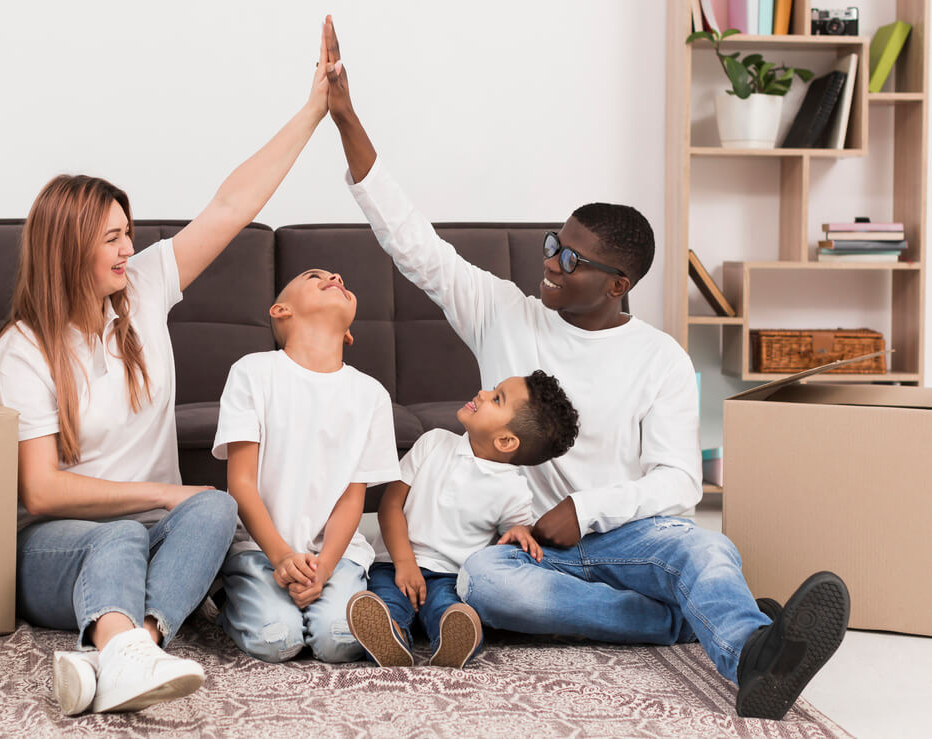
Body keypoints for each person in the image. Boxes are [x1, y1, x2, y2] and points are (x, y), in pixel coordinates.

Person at [320, 17, 850, 720]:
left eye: (571, 258)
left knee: (704, 546)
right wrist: (345, 117)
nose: (549, 261)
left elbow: (678, 481)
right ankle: (677, 620)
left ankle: (755, 655)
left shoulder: (657, 357)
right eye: (552, 243)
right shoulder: (502, 312)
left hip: (626, 536)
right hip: (527, 548)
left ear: (617, 283)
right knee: (482, 583)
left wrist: (587, 509)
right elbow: (409, 238)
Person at [0, 31, 334, 715]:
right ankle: (130, 643)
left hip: (151, 532)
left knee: (217, 503)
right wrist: (162, 498)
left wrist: (313, 109)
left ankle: (126, 649)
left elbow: (232, 205)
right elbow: (44, 490)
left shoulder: (141, 290)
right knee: (129, 530)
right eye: (112, 237)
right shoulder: (22, 350)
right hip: (55, 549)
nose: (128, 247)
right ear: (68, 249)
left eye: (127, 232)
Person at [211, 267, 401, 663]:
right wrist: (280, 556)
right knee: (276, 641)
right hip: (261, 550)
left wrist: (325, 567)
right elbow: (241, 484)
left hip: (335, 554)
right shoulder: (252, 372)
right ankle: (225, 603)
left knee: (338, 641)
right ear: (281, 310)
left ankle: (354, 602)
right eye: (314, 275)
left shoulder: (371, 395)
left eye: (340, 278)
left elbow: (353, 499)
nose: (335, 275)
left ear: (348, 333)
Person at [347, 370, 579, 669]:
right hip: (394, 562)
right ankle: (389, 635)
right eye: (493, 389)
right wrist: (405, 564)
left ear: (506, 441)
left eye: (496, 398)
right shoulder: (433, 443)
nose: (482, 393)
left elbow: (514, 531)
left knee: (450, 608)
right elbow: (390, 506)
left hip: (449, 576)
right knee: (385, 598)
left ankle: (452, 639)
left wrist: (521, 530)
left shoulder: (512, 489)